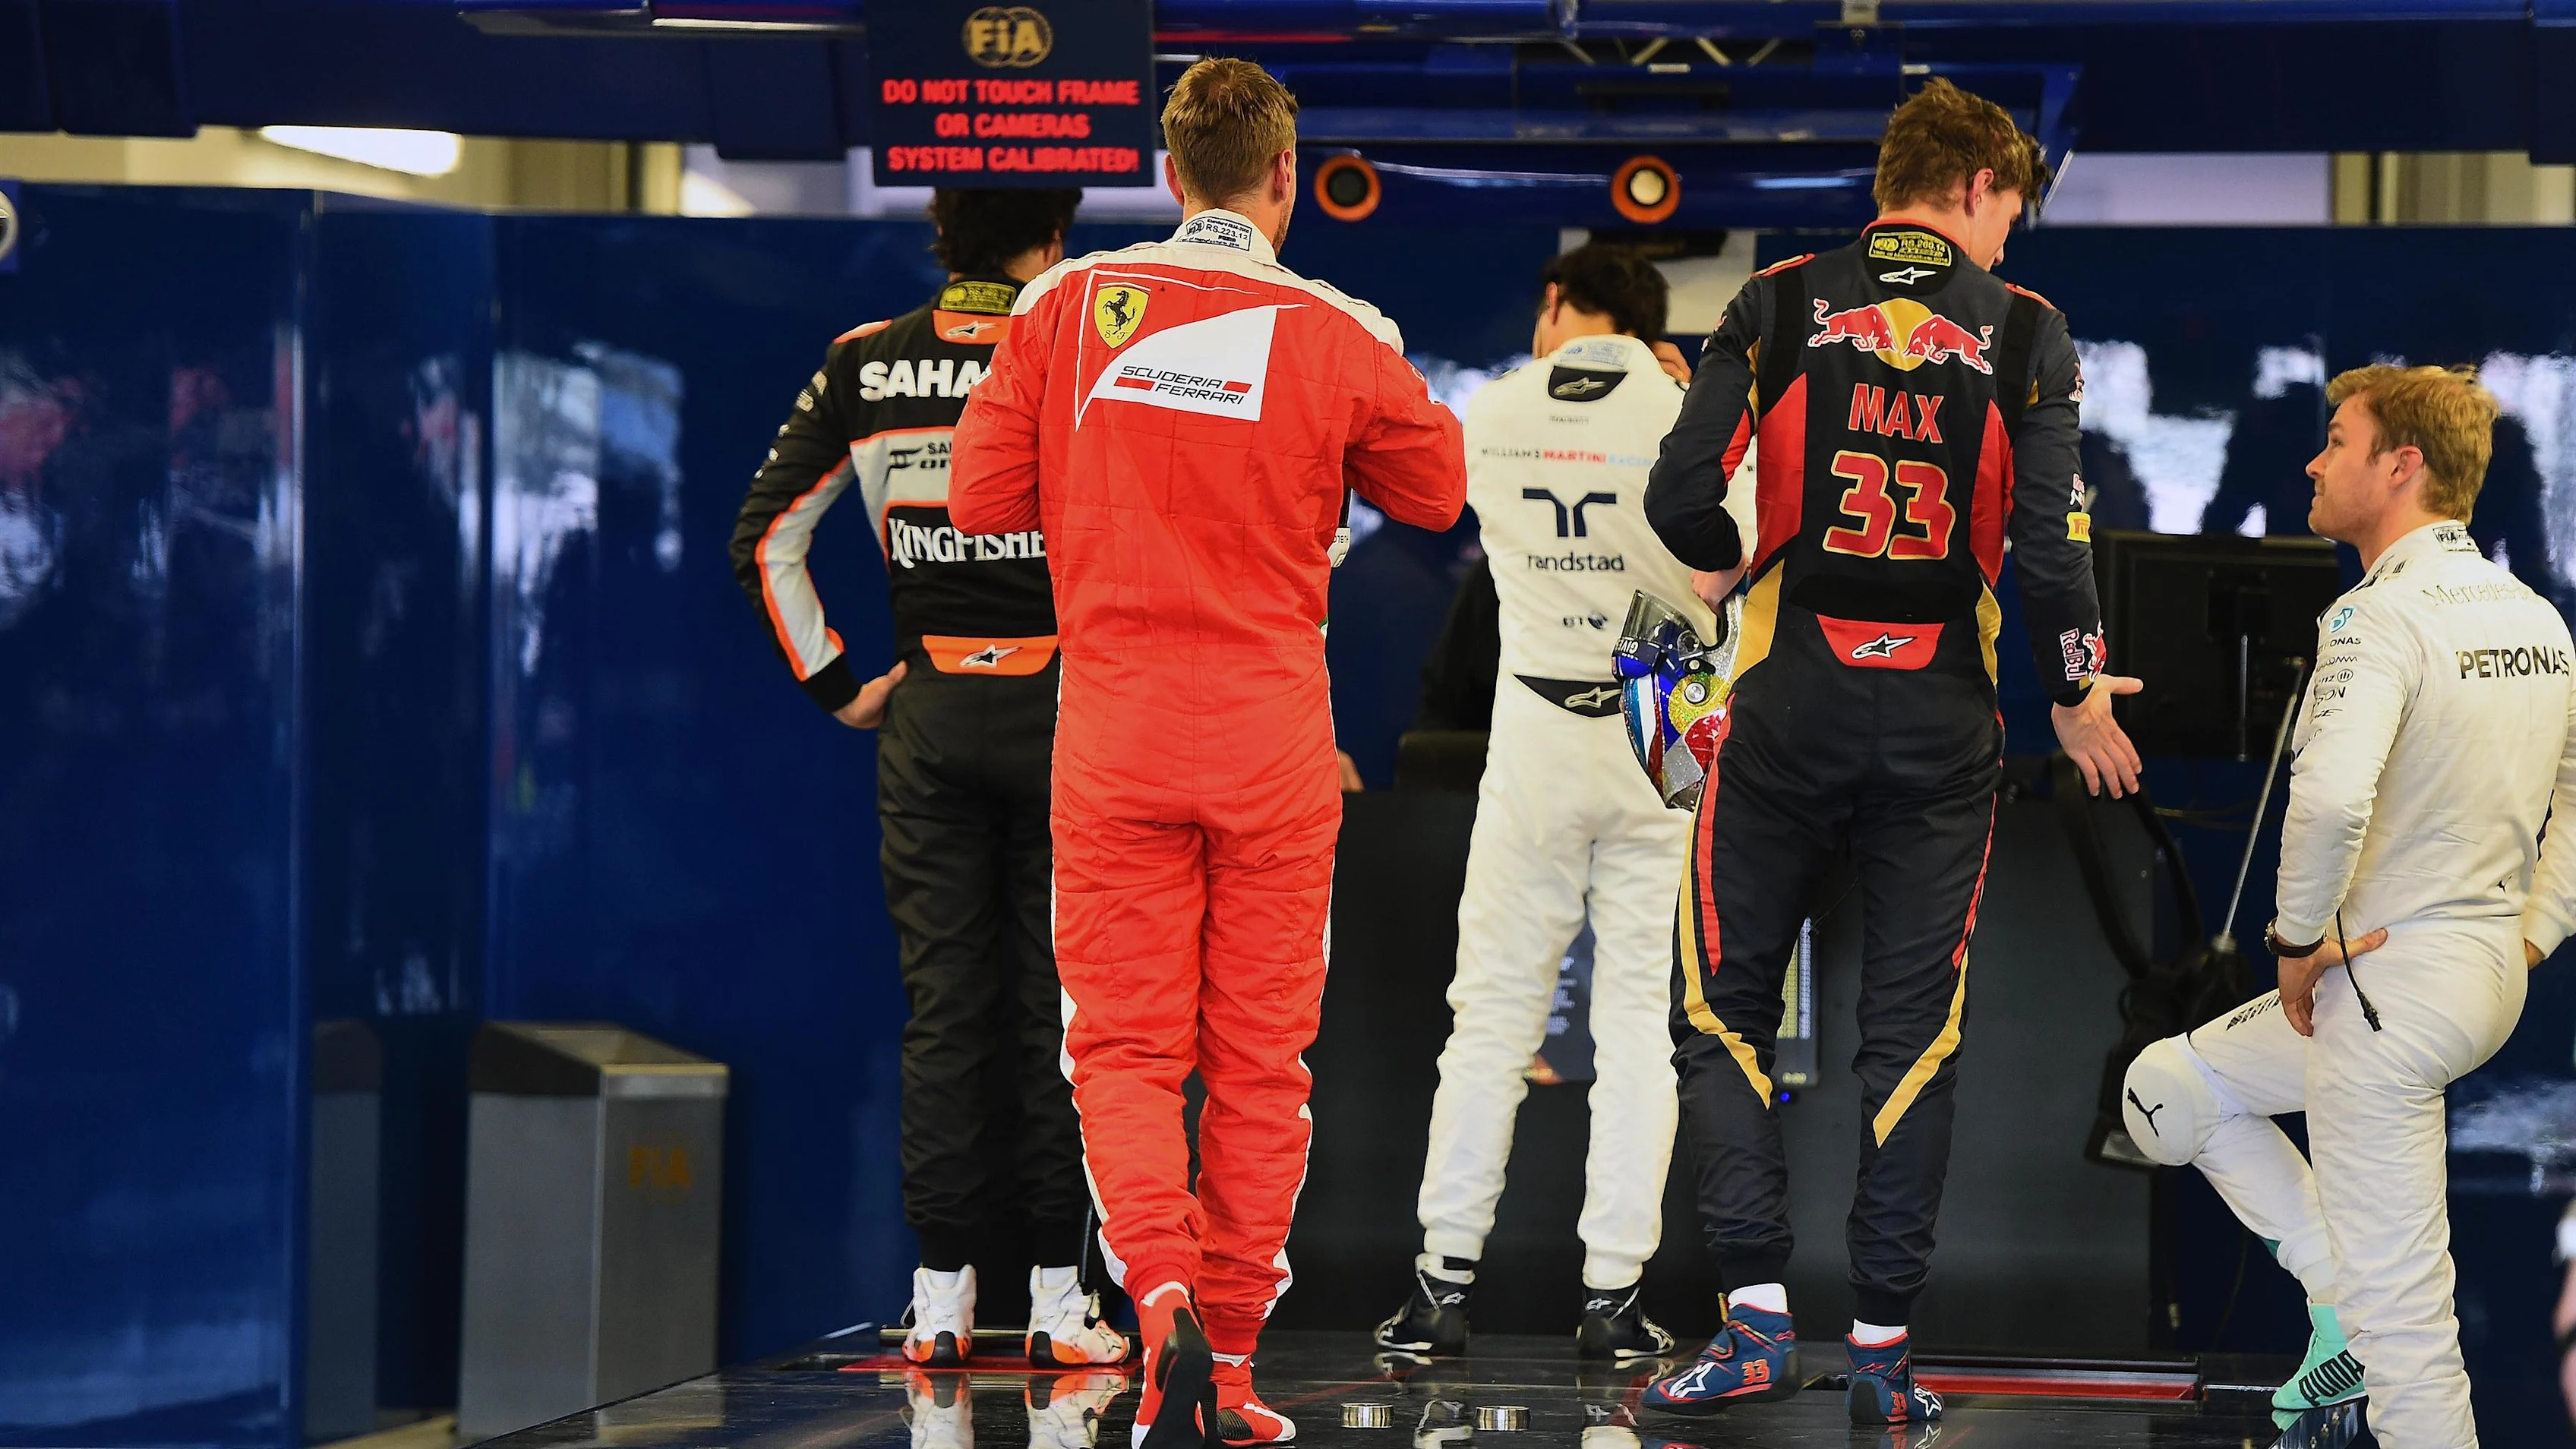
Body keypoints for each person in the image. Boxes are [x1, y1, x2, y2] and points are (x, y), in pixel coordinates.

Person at [951, 57, 1468, 1449]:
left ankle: (1161, 1295)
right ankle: (1231, 1369)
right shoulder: (1339, 326)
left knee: (1119, 1050)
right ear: (1284, 180)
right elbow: (1438, 489)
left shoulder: (1062, 308)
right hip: (1270, 743)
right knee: (1260, 1063)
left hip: (1112, 730)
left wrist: (1110, 471)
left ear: (1168, 172)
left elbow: (977, 493)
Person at [1634, 77, 2142, 1428]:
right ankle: (1880, 1359)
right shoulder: (2028, 331)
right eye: (2011, 216)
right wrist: (2080, 697)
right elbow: (2051, 551)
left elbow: (1679, 495)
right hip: (1943, 721)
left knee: (1718, 1008)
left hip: (1784, 707)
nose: (2009, 247)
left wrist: (1734, 562)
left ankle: (1752, 1325)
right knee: (1911, 1040)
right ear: (1976, 187)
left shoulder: (1779, 298)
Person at [2120, 365, 2574, 1449]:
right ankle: (2338, 1311)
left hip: (2381, 989)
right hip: (2473, 979)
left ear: (2401, 467)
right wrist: (2533, 933)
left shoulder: (2375, 620)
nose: (2314, 463)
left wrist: (2294, 942)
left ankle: (2359, 1326)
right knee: (2167, 1089)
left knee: (2407, 1320)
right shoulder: (2537, 620)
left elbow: (2327, 798)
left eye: (2336, 442)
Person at [728, 188, 1129, 1371]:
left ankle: (942, 1299)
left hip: (932, 714)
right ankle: (1062, 1302)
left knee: (947, 1009)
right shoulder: (1088, 356)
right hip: (1072, 712)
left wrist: (838, 684)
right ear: (1050, 246)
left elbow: (765, 536)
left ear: (939, 242)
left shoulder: (864, 364)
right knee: (1068, 1015)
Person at [1373, 245, 1750, 1362]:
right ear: (1650, 323)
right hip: (1663, 703)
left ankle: (1441, 1286)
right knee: (1638, 1020)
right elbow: (1733, 559)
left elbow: (1440, 515)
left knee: (1488, 1012)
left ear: (1554, 308)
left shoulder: (1492, 408)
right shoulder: (1687, 409)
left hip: (1535, 711)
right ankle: (1613, 1299)